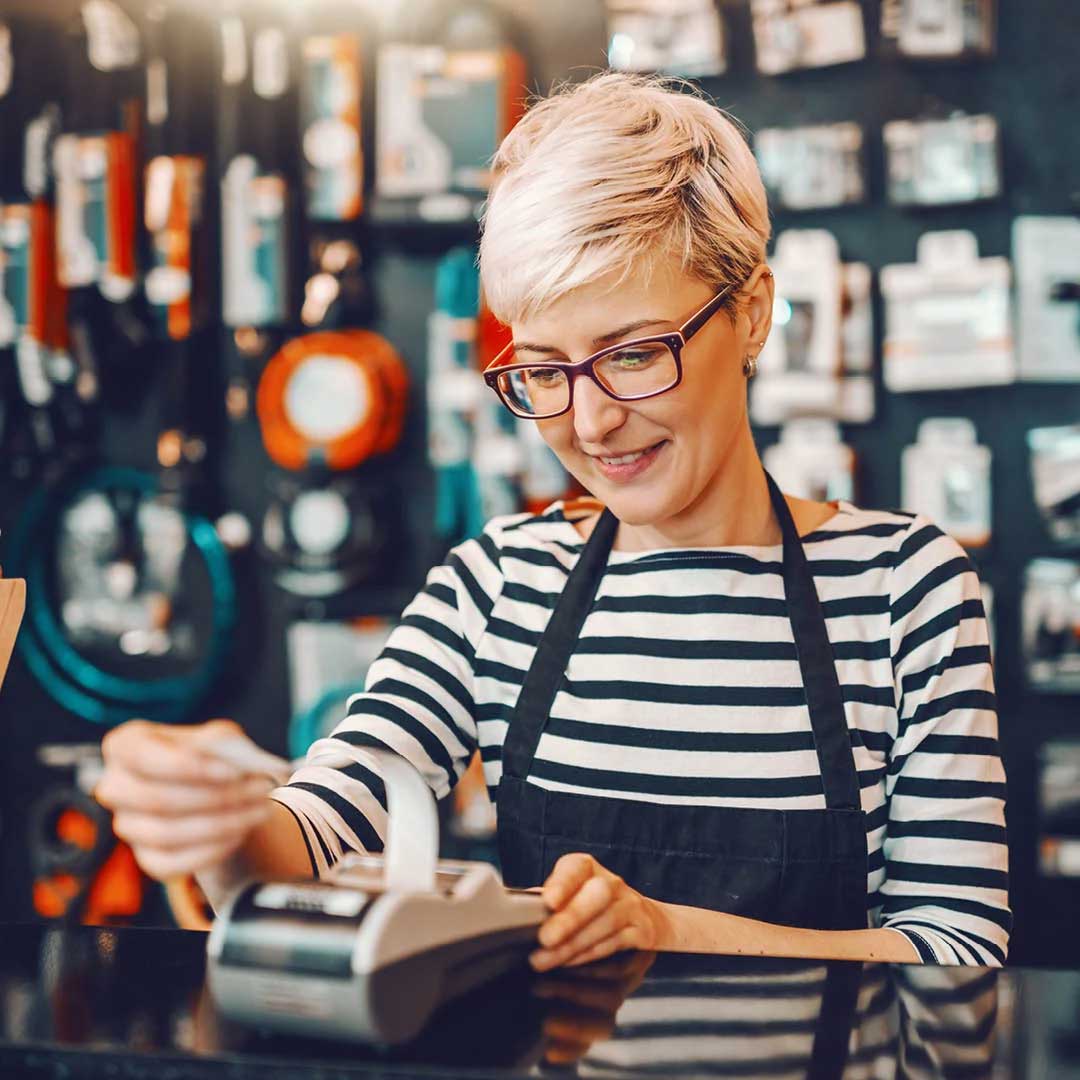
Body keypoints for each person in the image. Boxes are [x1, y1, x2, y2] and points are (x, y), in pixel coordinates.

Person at [96, 73, 1009, 970]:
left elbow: (959, 955)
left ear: (755, 314)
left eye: (634, 353)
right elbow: (321, 834)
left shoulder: (903, 588)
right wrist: (216, 821)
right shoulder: (498, 585)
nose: (590, 420)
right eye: (544, 369)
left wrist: (663, 931)